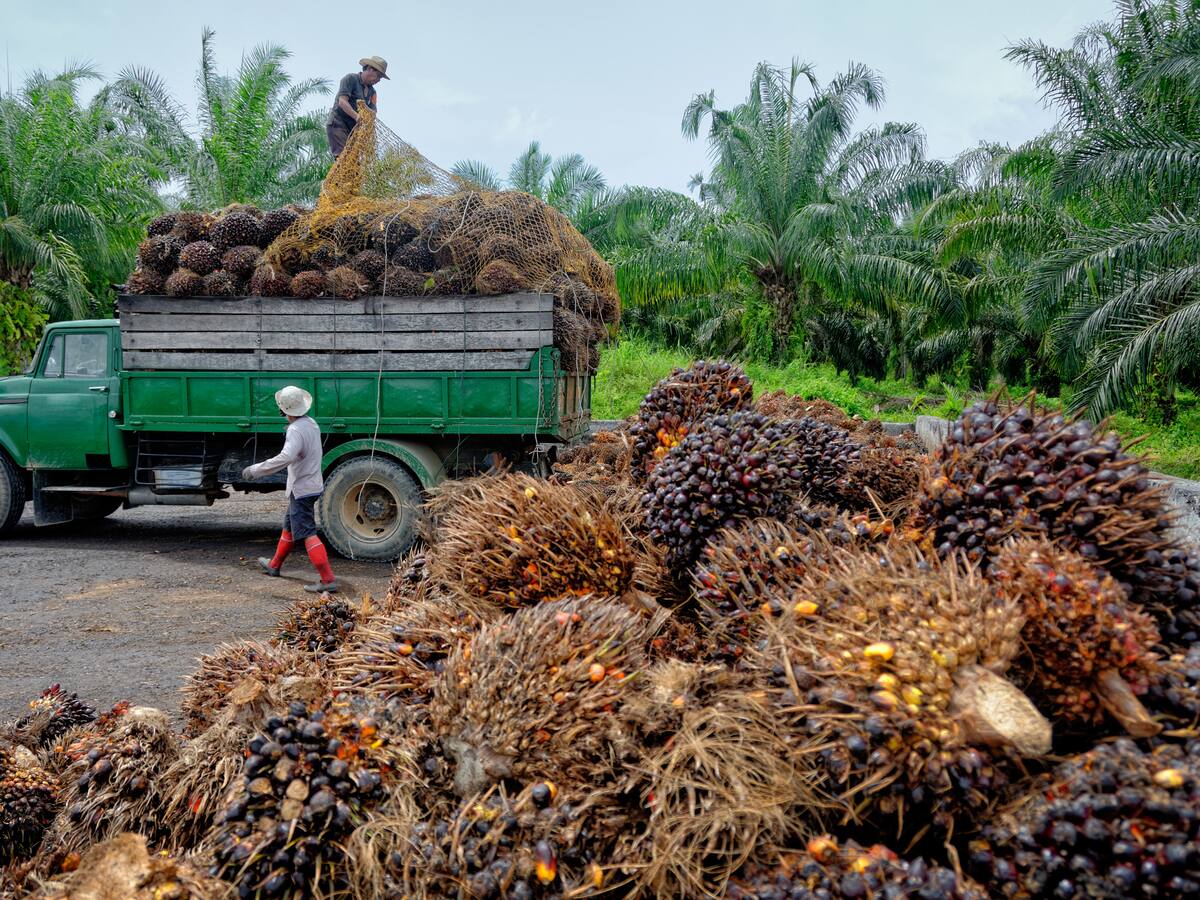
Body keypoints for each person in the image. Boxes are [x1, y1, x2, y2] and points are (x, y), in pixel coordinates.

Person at [242, 386, 339, 593]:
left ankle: (328, 579)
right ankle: (274, 565)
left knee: (307, 533)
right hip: (311, 484)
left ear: (283, 410)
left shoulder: (296, 430)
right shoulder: (311, 424)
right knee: (289, 526)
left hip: (302, 488)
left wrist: (256, 470)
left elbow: (286, 457)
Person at [326, 56, 389, 158]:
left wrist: (366, 115)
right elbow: (342, 101)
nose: (378, 80)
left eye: (380, 78)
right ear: (369, 69)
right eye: (378, 76)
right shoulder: (350, 79)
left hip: (353, 130)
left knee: (354, 162)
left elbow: (373, 112)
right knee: (343, 158)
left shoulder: (372, 92)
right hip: (338, 125)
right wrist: (357, 116)